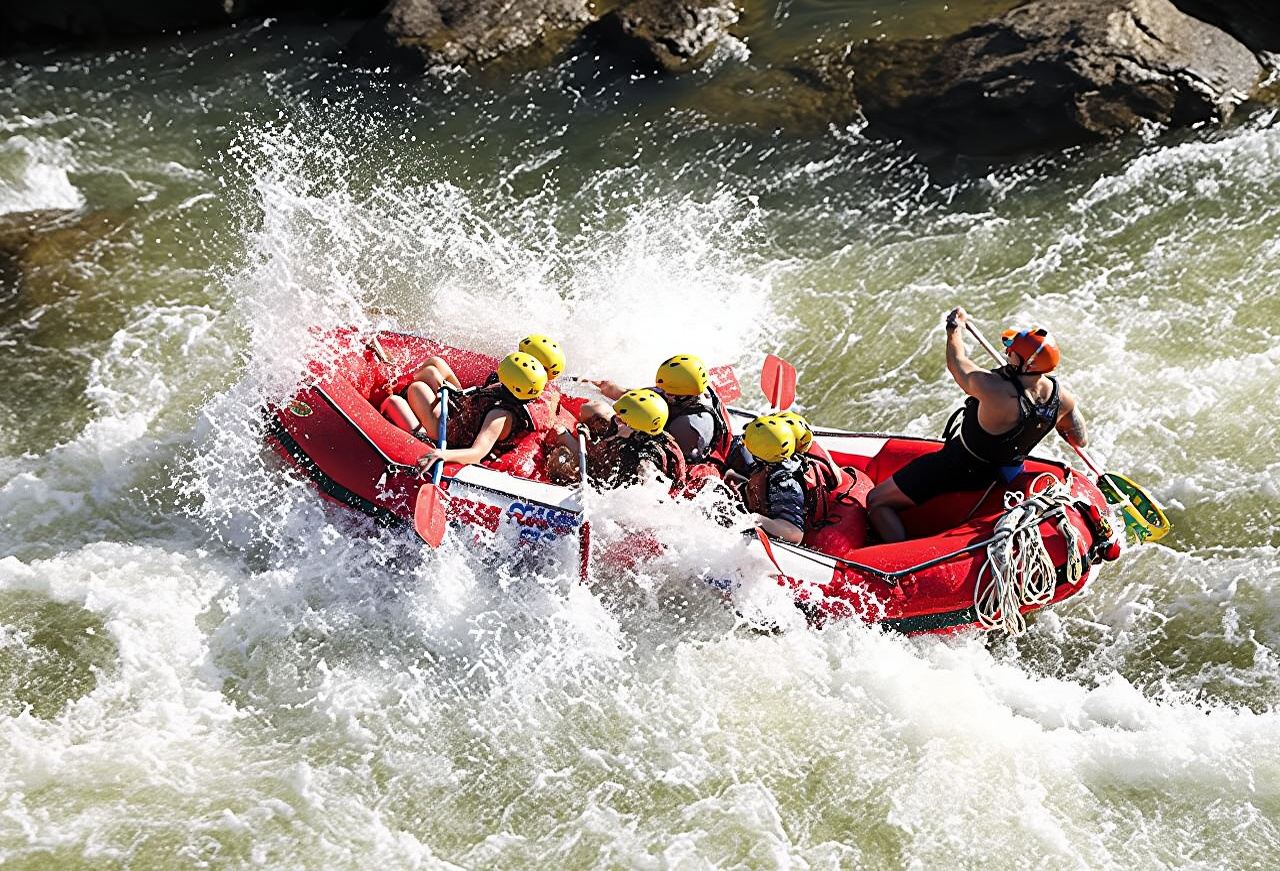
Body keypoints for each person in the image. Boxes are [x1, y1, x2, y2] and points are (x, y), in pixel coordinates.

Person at [867, 307, 1089, 543]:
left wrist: (953, 329)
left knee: (876, 500)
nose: (1007, 351)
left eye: (1012, 351)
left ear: (1025, 363)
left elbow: (957, 363)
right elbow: (1079, 439)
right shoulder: (1062, 398)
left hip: (958, 467)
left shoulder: (994, 389)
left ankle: (896, 558)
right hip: (1007, 471)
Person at [382, 334, 565, 440]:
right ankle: (400, 382)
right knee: (435, 365)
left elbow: (482, 441)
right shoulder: (523, 386)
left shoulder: (503, 411)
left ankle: (410, 417)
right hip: (467, 410)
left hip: (455, 431)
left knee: (410, 393)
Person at [405, 351, 553, 470]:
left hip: (453, 434)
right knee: (435, 363)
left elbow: (478, 453)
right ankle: (402, 385)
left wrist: (442, 454)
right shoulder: (509, 389)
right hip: (464, 413)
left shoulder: (499, 416)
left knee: (417, 388)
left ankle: (401, 395)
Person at [592, 354, 733, 470]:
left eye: (668, 392)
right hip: (675, 429)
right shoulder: (689, 388)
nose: (663, 393)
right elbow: (652, 396)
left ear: (684, 395)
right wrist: (613, 389)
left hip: (687, 456)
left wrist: (627, 434)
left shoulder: (688, 426)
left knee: (599, 413)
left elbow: (672, 457)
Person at [546, 389, 686, 489]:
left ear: (632, 426)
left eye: (620, 420)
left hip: (611, 491)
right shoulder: (645, 432)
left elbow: (650, 493)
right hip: (610, 474)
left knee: (560, 462)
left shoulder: (644, 462)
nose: (616, 421)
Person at [739, 413, 841, 544]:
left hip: (794, 526)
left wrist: (749, 519)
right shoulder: (786, 461)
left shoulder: (783, 483)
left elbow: (794, 533)